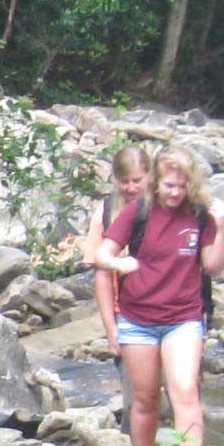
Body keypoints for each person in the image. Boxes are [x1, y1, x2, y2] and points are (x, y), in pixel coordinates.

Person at [98, 144, 224, 446]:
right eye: (168, 185)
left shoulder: (200, 215)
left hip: (184, 317)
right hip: (138, 318)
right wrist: (118, 264)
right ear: (156, 182)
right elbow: (101, 254)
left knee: (185, 391)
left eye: (180, 186)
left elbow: (214, 266)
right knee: (144, 400)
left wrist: (222, 226)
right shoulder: (138, 211)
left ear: (191, 185)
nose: (173, 193)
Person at [78, 144, 153, 357]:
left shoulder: (164, 207)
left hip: (164, 309)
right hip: (126, 313)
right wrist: (111, 330)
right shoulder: (106, 212)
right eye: (124, 182)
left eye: (137, 181)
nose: (130, 188)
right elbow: (101, 275)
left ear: (149, 176)